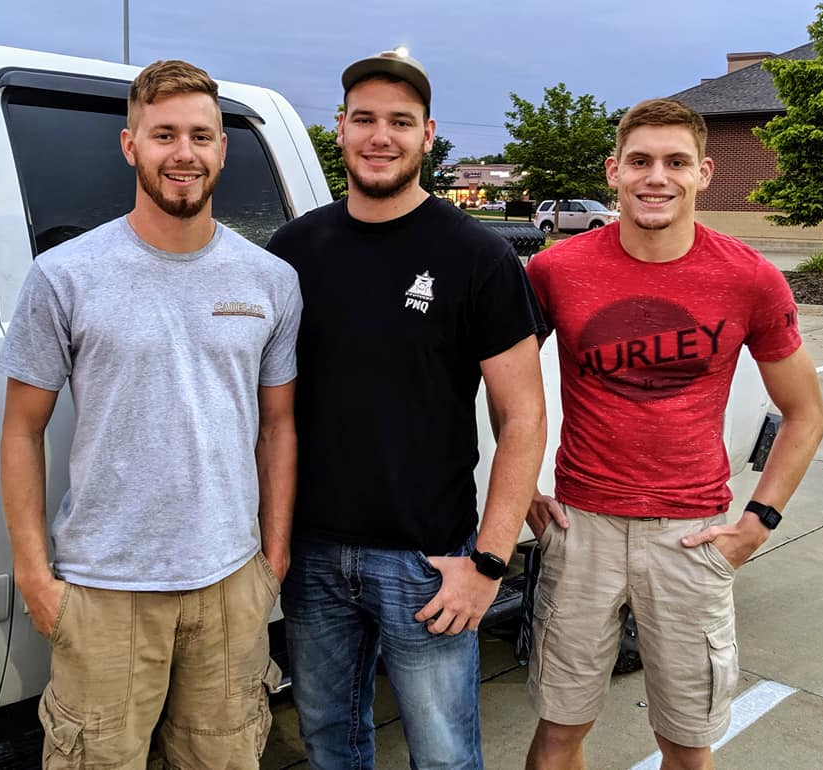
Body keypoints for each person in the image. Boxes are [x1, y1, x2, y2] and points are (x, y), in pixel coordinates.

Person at [0, 59, 300, 768]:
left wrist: (272, 560)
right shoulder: (65, 275)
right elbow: (20, 429)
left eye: (201, 135)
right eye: (164, 135)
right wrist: (34, 577)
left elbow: (279, 425)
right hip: (104, 592)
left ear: (223, 147)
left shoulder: (270, 280)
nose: (184, 154)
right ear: (131, 145)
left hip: (230, 585)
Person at [522, 98, 823, 770]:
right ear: (614, 171)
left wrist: (758, 521)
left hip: (691, 535)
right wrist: (524, 490)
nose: (656, 176)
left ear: (704, 173)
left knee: (688, 742)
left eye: (675, 162)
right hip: (582, 528)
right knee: (558, 731)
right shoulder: (555, 271)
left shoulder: (749, 278)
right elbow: (504, 388)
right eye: (640, 161)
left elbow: (805, 412)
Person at [265, 49, 547, 769]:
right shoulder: (294, 250)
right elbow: (273, 409)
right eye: (364, 119)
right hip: (313, 557)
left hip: (429, 562)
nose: (379, 136)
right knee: (331, 743)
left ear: (427, 135)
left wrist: (487, 561)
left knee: (445, 756)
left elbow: (522, 418)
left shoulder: (476, 257)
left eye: (399, 121)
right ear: (340, 129)